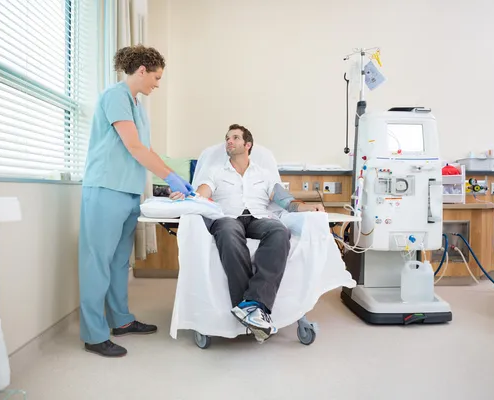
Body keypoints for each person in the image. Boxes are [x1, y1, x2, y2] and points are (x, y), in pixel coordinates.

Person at [79, 45, 194, 358]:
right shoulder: (115, 96)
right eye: (156, 77)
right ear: (142, 70)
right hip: (105, 189)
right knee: (97, 262)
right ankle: (93, 334)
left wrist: (170, 178)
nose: (157, 83)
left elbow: (148, 149)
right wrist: (170, 177)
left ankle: (122, 320)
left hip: (129, 192)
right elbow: (133, 147)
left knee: (119, 262)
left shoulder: (138, 106)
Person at [170, 124, 324, 342]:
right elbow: (201, 194)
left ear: (248, 145)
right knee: (229, 232)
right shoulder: (216, 172)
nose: (229, 141)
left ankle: (251, 305)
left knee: (280, 231)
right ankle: (252, 310)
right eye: (227, 138)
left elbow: (286, 201)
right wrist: (186, 196)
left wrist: (309, 207)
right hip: (227, 218)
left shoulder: (264, 174)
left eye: (235, 137)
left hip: (258, 218)